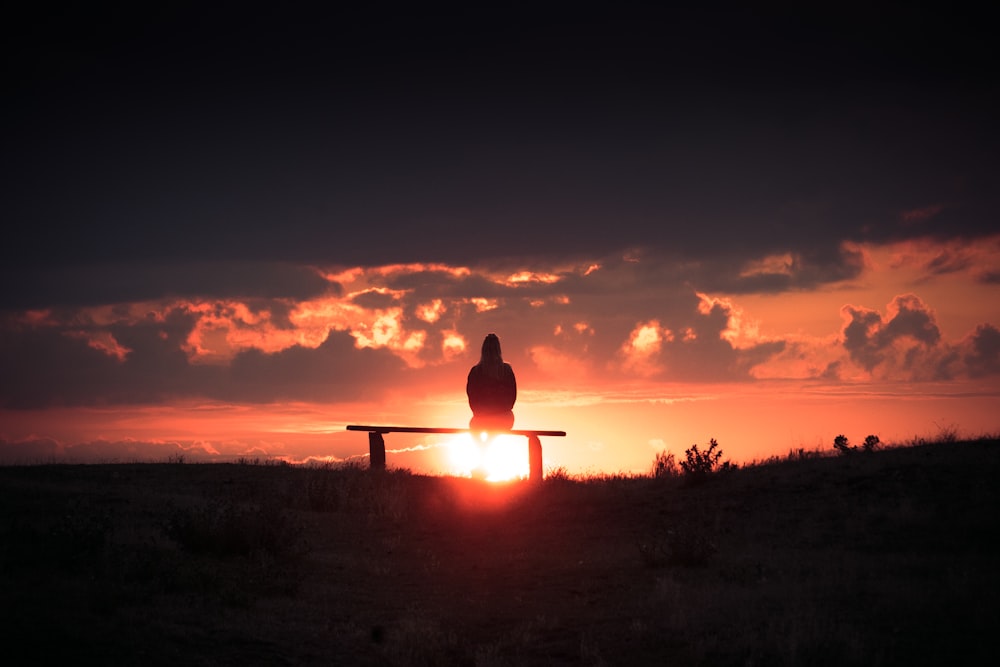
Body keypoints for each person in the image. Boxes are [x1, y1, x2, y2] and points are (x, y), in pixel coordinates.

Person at [466, 333, 517, 430]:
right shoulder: (507, 370)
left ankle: (485, 444)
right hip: (504, 418)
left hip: (482, 418)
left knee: (473, 426)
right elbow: (512, 399)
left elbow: (472, 398)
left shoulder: (475, 371)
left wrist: (484, 412)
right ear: (499, 350)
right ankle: (489, 440)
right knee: (485, 428)